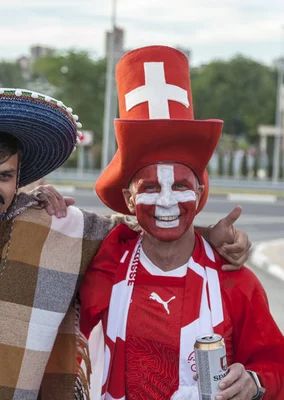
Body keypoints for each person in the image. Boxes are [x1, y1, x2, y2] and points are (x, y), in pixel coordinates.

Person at [0, 76, 251, 399]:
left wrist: (209, 235)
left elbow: (147, 225)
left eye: (4, 176)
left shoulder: (60, 227)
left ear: (20, 177)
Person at [79, 46, 284, 400]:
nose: (167, 201)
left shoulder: (237, 284)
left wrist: (255, 381)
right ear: (129, 200)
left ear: (200, 192)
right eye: (151, 188)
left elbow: (275, 364)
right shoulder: (102, 264)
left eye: (181, 186)